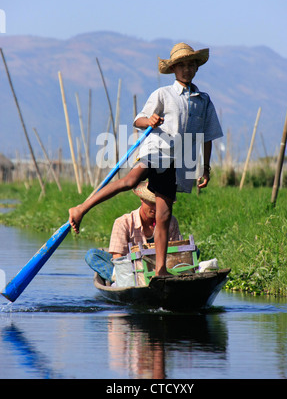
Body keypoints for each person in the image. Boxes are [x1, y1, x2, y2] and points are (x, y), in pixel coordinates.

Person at [69, 42, 223, 277]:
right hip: (156, 151)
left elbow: (208, 137)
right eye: (182, 65)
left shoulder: (203, 101)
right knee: (129, 182)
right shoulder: (163, 94)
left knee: (163, 216)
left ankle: (161, 270)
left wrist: (205, 168)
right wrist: (150, 120)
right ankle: (81, 209)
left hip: (178, 163)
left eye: (191, 65)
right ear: (174, 69)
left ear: (196, 68)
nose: (187, 69)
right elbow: (138, 120)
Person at [85, 181, 181, 284]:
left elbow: (176, 253)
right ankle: (122, 279)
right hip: (130, 269)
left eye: (159, 205)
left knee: (194, 252)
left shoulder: (171, 222)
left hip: (162, 265)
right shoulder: (123, 222)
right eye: (152, 203)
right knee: (92, 255)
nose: (155, 208)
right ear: (142, 199)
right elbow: (118, 258)